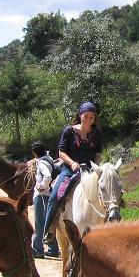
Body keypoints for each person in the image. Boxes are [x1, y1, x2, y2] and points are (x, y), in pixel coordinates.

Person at [43, 101, 103, 245]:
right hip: (70, 170)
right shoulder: (69, 131)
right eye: (86, 116)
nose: (89, 119)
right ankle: (49, 229)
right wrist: (72, 163)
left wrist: (97, 169)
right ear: (80, 115)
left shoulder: (97, 133)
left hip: (89, 171)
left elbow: (98, 154)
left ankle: (110, 224)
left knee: (107, 192)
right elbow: (61, 152)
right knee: (56, 195)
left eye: (92, 117)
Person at [30, 140, 60, 259]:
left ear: (34, 153)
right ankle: (53, 249)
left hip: (41, 195)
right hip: (50, 194)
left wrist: (41, 186)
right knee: (49, 222)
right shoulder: (49, 159)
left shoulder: (42, 163)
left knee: (39, 223)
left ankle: (38, 250)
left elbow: (47, 176)